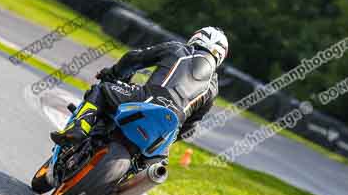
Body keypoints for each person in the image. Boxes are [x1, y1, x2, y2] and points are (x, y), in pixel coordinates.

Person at [50, 27, 228, 153]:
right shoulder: (213, 88)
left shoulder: (178, 49)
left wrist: (113, 74)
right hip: (170, 125)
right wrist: (173, 136)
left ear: (196, 38)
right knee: (156, 159)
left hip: (146, 99)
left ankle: (79, 128)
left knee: (102, 90)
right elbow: (191, 126)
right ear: (220, 55)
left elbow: (134, 58)